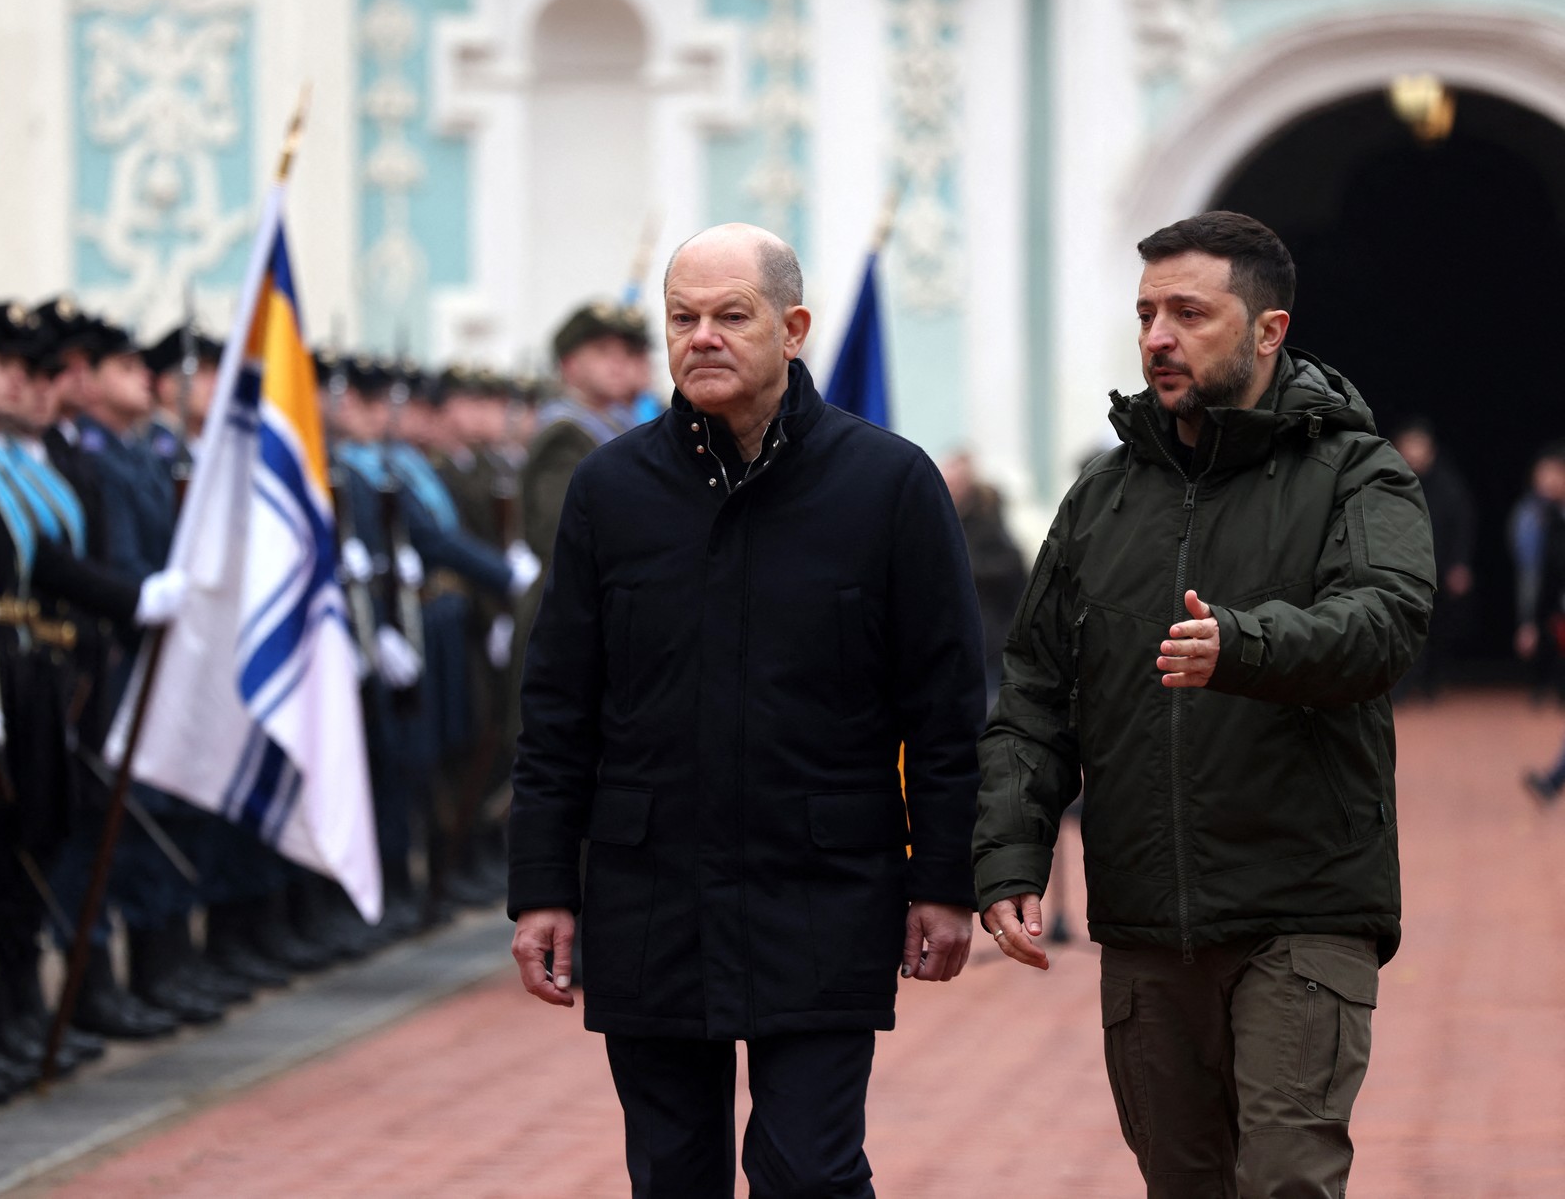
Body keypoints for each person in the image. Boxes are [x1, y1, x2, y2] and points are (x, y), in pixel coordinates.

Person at [509, 223, 984, 1198]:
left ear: (794, 326)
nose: (703, 337)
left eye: (733, 315)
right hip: (651, 895)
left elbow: (942, 706)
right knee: (672, 1176)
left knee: (809, 1172)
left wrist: (944, 878)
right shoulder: (610, 491)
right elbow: (559, 709)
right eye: (683, 318)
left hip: (821, 886)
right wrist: (543, 888)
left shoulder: (887, 485)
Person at [974, 211, 1434, 1198]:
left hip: (1301, 912)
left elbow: (1387, 622)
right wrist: (1009, 851)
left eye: (1188, 312)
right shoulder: (1102, 500)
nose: (1156, 338)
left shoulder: (1357, 471)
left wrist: (1247, 644)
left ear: (1267, 331)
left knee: (1285, 1182)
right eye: (1146, 314)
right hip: (1145, 925)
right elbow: (1036, 688)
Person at [1390, 420, 1474, 699]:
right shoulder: (1388, 480)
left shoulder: (1449, 484)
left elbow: (1463, 525)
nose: (1414, 453)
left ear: (1431, 450)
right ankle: (1401, 685)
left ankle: (1430, 683)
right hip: (1399, 570)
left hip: (1437, 571)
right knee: (1399, 628)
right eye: (1408, 446)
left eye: (1419, 446)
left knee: (1435, 631)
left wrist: (1459, 565)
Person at [938, 450, 1027, 697]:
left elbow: (1012, 570)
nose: (950, 489)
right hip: (962, 645)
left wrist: (963, 569)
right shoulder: (948, 521)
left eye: (954, 483)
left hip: (991, 642)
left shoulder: (987, 523)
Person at [1509, 443, 1565, 702]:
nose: (1549, 481)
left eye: (1556, 474)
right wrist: (1527, 622)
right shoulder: (1528, 514)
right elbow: (1527, 568)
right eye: (1543, 474)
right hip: (1542, 591)